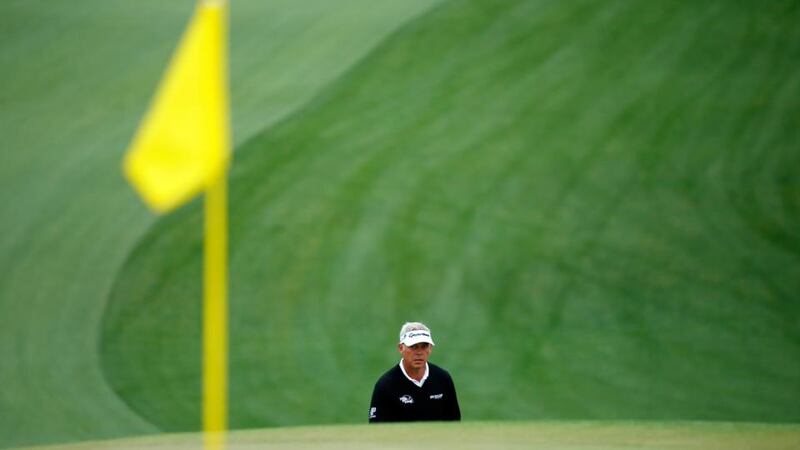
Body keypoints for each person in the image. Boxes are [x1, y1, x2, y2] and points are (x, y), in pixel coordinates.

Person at [368, 322, 461, 422]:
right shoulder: (385, 385)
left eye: (424, 346)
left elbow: (454, 422)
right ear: (401, 348)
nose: (419, 353)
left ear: (430, 349)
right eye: (413, 347)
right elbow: (377, 428)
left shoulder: (442, 378)